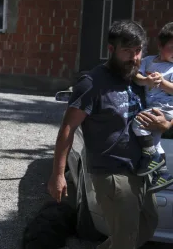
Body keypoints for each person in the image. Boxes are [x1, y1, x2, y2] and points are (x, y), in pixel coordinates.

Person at [48, 20, 173, 249]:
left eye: (138, 51)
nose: (135, 58)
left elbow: (164, 106)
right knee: (126, 237)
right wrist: (58, 174)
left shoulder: (138, 79)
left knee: (148, 224)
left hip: (140, 169)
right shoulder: (92, 83)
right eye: (127, 51)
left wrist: (166, 123)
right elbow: (68, 128)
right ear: (111, 49)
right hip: (111, 171)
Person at [132, 22, 173, 193]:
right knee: (156, 141)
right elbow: (136, 76)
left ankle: (151, 156)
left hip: (166, 108)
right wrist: (146, 81)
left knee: (137, 123)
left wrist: (162, 83)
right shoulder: (148, 61)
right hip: (153, 107)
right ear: (160, 46)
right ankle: (162, 175)